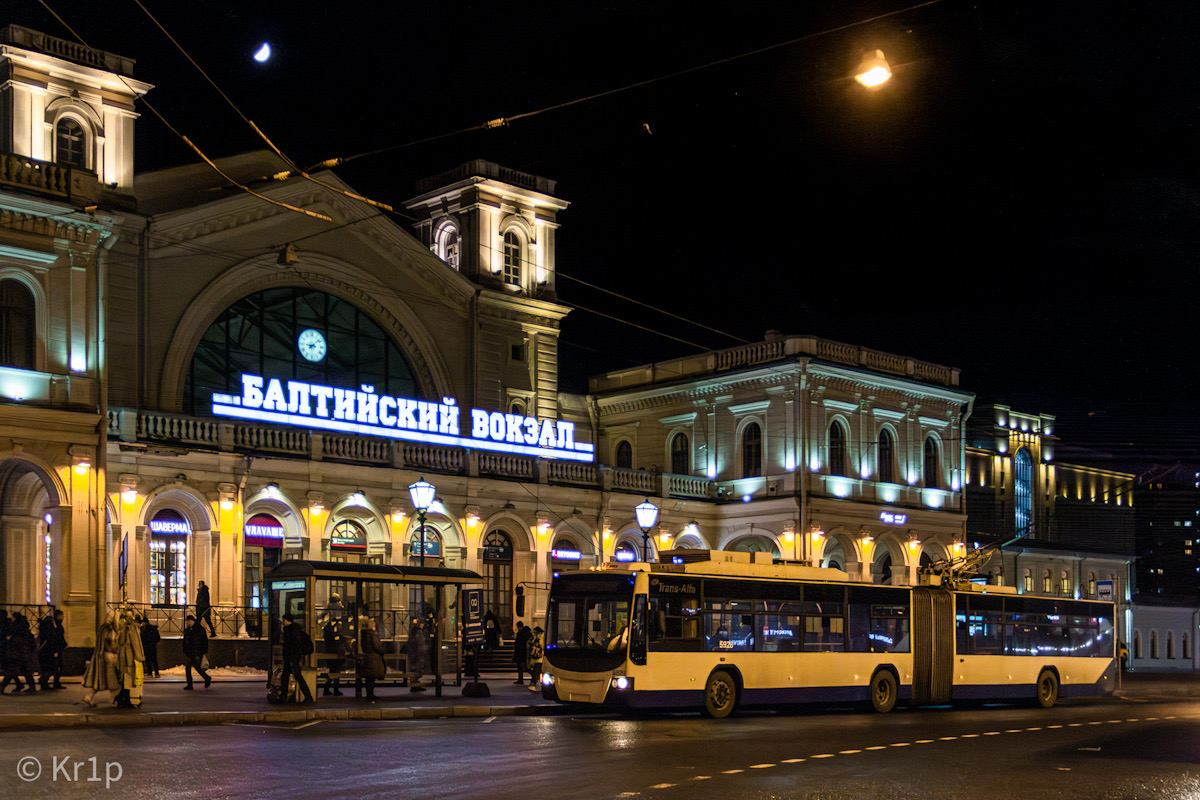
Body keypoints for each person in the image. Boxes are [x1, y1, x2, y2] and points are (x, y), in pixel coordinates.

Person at [81, 612, 121, 706]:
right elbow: (110, 644)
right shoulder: (109, 630)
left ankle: (89, 697)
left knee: (100, 680)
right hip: (108, 657)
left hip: (100, 656)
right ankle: (114, 700)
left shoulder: (102, 628)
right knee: (112, 680)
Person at [112, 608, 146, 708]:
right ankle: (125, 700)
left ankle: (121, 698)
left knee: (124, 679)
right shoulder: (132, 628)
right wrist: (140, 657)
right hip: (129, 656)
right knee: (128, 679)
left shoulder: (121, 627)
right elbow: (136, 644)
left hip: (121, 656)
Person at [280, 613, 315, 703]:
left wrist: (293, 658)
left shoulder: (292, 631)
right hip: (291, 658)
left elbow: (295, 646)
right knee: (286, 677)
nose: (282, 622)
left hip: (292, 658)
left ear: (288, 621)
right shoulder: (290, 630)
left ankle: (308, 696)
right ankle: (283, 696)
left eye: (284, 620)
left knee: (296, 677)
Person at [1, 613, 38, 693]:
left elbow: (15, 641)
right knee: (23, 670)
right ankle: (30, 686)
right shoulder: (25, 632)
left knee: (12, 670)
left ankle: (3, 686)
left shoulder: (18, 631)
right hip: (23, 654)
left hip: (18, 654)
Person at [358, 617, 386, 700]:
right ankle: (370, 695)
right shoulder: (372, 635)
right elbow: (377, 646)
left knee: (369, 677)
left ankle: (369, 694)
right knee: (372, 677)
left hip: (368, 657)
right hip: (374, 658)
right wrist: (384, 650)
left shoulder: (364, 634)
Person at [181, 613, 212, 690]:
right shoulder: (188, 630)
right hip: (190, 653)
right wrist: (185, 650)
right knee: (190, 668)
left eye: (188, 621)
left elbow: (202, 642)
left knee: (196, 668)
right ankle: (191, 684)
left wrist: (200, 653)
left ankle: (206, 678)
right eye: (186, 621)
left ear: (192, 621)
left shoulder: (199, 629)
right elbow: (185, 641)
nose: (187, 623)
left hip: (197, 653)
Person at [38, 608, 67, 690]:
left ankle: (46, 682)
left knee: (52, 667)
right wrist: (56, 650)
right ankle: (44, 682)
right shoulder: (56, 628)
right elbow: (56, 639)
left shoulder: (51, 629)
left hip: (49, 650)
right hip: (52, 651)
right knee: (54, 667)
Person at [322, 616, 348, 696]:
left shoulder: (328, 628)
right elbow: (335, 638)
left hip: (331, 652)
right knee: (335, 672)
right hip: (334, 652)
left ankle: (328, 689)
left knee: (333, 671)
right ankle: (334, 689)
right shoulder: (331, 629)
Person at [404, 617, 429, 692]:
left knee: (417, 669)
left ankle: (415, 683)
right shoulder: (417, 632)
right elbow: (419, 642)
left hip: (417, 653)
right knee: (417, 669)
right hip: (417, 653)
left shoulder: (416, 631)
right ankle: (414, 684)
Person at [513, 620, 532, 685]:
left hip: (520, 653)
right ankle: (533, 677)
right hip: (525, 652)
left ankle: (521, 679)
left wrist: (515, 654)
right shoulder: (527, 633)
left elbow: (517, 645)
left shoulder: (520, 634)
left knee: (521, 667)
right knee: (525, 667)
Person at [527, 625, 544, 690]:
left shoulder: (538, 639)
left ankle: (533, 684)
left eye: (535, 632)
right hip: (537, 659)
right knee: (537, 672)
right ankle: (540, 684)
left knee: (536, 672)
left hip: (538, 659)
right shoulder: (536, 639)